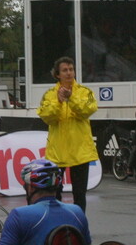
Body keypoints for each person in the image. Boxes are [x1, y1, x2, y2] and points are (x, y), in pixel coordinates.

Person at [36, 56, 98, 212]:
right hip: (57, 152)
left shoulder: (85, 92)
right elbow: (46, 117)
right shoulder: (50, 94)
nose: (69, 73)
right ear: (58, 74)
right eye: (65, 70)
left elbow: (87, 110)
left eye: (71, 69)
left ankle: (79, 226)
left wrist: (71, 99)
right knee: (54, 192)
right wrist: (58, 101)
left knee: (79, 194)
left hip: (80, 151)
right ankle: (58, 225)